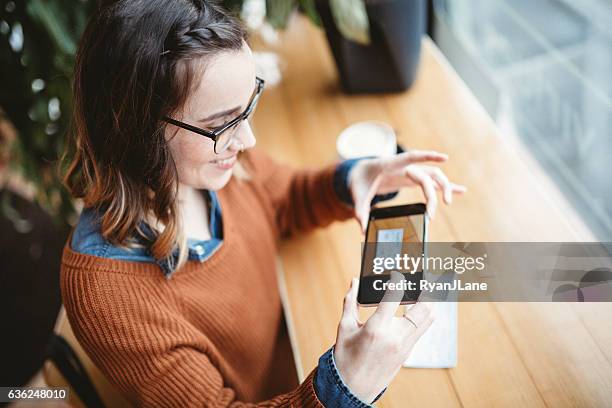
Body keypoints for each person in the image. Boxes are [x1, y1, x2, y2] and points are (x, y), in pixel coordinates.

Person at [60, 1, 466, 406]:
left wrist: (351, 180)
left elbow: (284, 199)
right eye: (222, 123)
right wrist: (346, 386)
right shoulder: (107, 295)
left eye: (248, 106)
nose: (248, 140)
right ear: (134, 129)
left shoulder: (211, 161)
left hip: (290, 345)